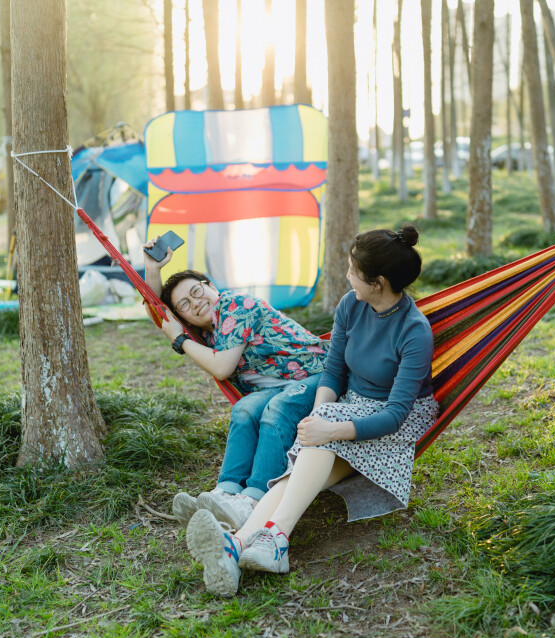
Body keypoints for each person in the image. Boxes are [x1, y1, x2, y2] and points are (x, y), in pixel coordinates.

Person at [185, 225, 438, 597]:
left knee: (315, 448)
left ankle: (268, 539)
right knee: (306, 458)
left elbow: (396, 415)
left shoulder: (415, 332)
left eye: (353, 270)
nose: (347, 274)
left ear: (379, 282)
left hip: (394, 422)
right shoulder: (351, 305)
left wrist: (330, 429)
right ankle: (241, 545)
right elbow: (334, 371)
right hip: (350, 406)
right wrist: (319, 416)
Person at [142, 241, 328, 531]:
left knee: (276, 410)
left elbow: (221, 366)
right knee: (244, 409)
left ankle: (252, 501)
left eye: (196, 291)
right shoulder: (208, 331)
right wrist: (152, 268)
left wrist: (180, 340)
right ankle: (225, 493)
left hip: (319, 375)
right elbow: (160, 314)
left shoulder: (234, 305)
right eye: (185, 306)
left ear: (210, 286)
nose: (196, 303)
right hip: (279, 386)